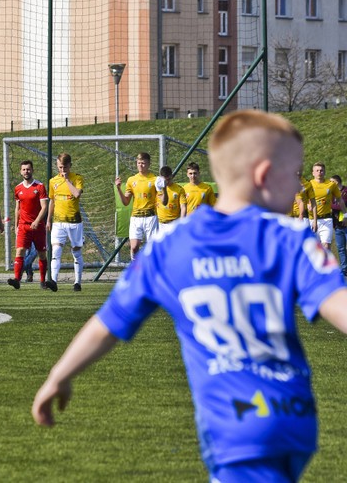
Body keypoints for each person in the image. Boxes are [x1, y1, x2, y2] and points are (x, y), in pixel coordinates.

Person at [32, 110, 347, 483]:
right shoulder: (291, 238)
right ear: (263, 176)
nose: (298, 188)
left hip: (236, 424)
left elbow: (108, 323)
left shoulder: (170, 246)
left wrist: (60, 374)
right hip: (294, 418)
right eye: (293, 175)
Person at [45, 153, 84, 292]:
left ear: (70, 166)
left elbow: (77, 194)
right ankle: (53, 281)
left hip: (74, 221)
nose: (63, 170)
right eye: (60, 167)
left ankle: (77, 282)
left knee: (76, 252)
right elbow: (52, 200)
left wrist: (67, 180)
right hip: (58, 222)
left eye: (65, 167)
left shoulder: (77, 178)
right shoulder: (53, 181)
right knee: (56, 250)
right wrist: (49, 219)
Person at [8, 160, 48, 290]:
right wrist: (16, 225)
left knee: (42, 253)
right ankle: (17, 280)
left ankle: (42, 281)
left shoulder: (39, 186)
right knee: (20, 251)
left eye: (28, 169)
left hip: (38, 226)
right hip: (23, 226)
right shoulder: (18, 188)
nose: (26, 171)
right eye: (24, 169)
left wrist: (37, 221)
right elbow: (17, 208)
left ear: (32, 170)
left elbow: (44, 207)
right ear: (21, 171)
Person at [115, 152, 158, 258]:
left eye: (143, 163)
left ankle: (151, 270)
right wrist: (119, 188)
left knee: (152, 248)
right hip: (136, 217)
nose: (140, 165)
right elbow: (125, 202)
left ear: (149, 164)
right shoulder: (131, 180)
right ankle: (135, 269)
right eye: (139, 163)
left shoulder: (155, 179)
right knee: (134, 247)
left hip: (150, 217)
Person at [309, 162, 346, 250]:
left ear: (324, 172)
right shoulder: (308, 185)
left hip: (326, 219)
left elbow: (340, 199)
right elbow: (301, 199)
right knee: (314, 249)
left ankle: (327, 262)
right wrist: (307, 204)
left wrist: (345, 215)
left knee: (326, 247)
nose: (319, 172)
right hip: (312, 219)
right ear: (313, 173)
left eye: (321, 170)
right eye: (317, 170)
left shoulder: (331, 185)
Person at [330, 175, 347, 277]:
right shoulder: (331, 193)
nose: (330, 183)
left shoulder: (345, 191)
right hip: (337, 225)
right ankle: (344, 269)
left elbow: (343, 204)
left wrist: (329, 205)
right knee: (340, 249)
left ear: (336, 182)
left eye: (332, 181)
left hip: (346, 223)